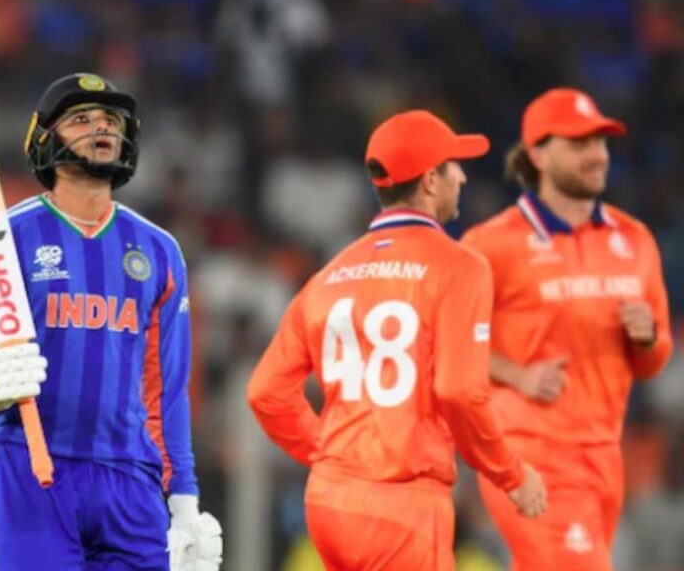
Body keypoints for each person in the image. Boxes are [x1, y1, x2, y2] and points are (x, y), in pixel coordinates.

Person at [0, 72, 222, 571]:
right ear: (45, 139)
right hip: (33, 468)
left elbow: (167, 392)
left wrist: (183, 501)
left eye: (110, 119)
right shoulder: (3, 238)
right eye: (81, 119)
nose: (101, 127)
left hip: (132, 480)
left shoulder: (159, 250)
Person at [248, 110, 548, 571]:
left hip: (329, 503)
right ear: (429, 181)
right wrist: (512, 475)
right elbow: (459, 391)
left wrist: (332, 455)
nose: (463, 177)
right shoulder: (459, 267)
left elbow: (265, 392)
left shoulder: (329, 276)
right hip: (403, 505)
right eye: (454, 167)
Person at [461, 87, 673, 570]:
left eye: (599, 142)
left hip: (604, 455)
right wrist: (516, 374)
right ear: (538, 155)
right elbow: (443, 340)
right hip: (528, 453)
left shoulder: (634, 239)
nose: (596, 155)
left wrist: (647, 338)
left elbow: (653, 361)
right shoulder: (492, 244)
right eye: (579, 144)